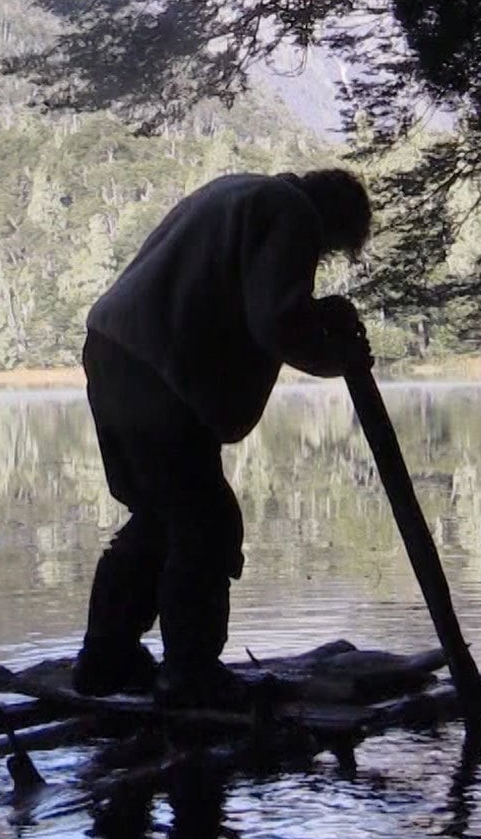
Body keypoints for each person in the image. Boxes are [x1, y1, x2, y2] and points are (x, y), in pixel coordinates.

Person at [71, 169, 373, 706]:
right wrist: (336, 358)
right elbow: (275, 319)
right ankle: (189, 672)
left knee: (163, 514)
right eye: (328, 249)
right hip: (155, 367)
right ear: (332, 222)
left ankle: (106, 655)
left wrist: (316, 314)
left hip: (115, 352)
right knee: (205, 522)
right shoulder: (291, 213)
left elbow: (234, 291)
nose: (318, 256)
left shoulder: (242, 194)